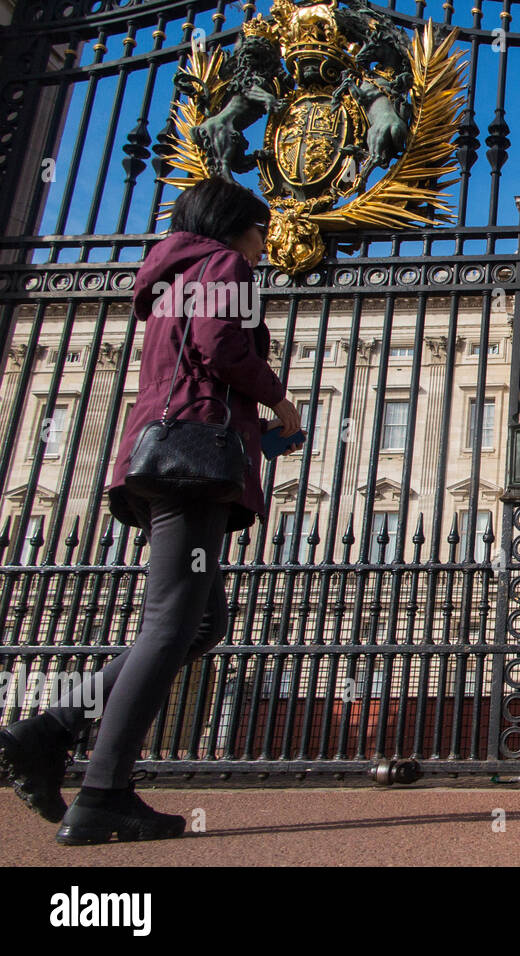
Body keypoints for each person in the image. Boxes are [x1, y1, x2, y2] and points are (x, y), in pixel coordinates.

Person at [0, 178, 301, 844]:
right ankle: (103, 792)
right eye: (261, 231)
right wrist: (279, 401)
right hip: (194, 459)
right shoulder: (222, 264)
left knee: (198, 624)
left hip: (166, 452)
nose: (264, 247)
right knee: (173, 625)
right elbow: (221, 348)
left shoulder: (172, 276)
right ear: (234, 227)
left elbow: (192, 362)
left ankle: (48, 730)